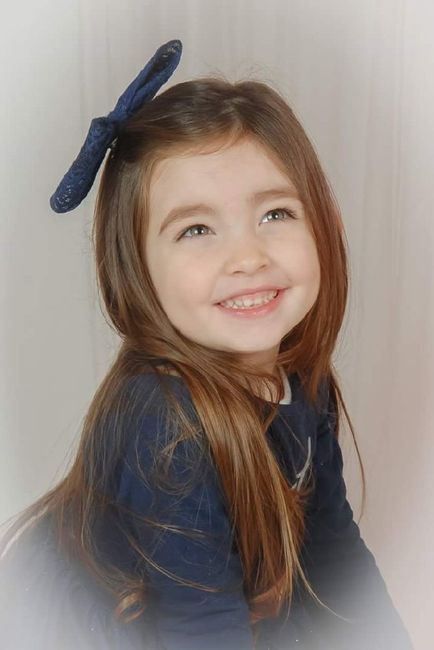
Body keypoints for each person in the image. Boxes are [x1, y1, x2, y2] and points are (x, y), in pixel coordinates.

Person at [0, 39, 413, 649]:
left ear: (323, 221)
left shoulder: (302, 380)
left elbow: (333, 557)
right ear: (136, 270)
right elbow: (200, 627)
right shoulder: (165, 424)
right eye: (196, 229)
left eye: (275, 214)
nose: (247, 257)